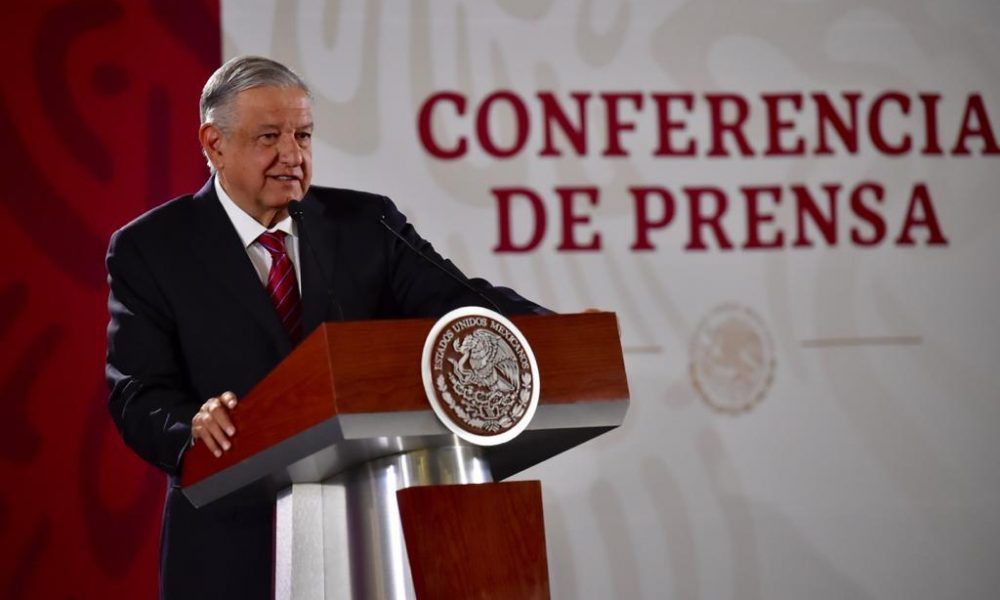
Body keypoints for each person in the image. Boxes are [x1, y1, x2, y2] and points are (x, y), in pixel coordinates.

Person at [105, 55, 547, 600]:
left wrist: (548, 332)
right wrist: (190, 427)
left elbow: (460, 299)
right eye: (270, 137)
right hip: (231, 544)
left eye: (304, 135)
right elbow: (136, 392)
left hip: (375, 537)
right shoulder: (152, 247)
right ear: (214, 144)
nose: (293, 155)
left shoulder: (367, 224)